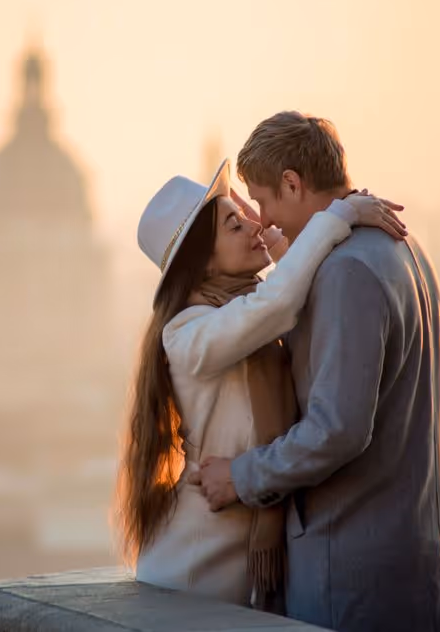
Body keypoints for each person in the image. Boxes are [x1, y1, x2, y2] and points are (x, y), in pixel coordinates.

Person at [195, 111, 440, 632]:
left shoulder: (346, 272)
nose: (263, 221)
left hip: (353, 567)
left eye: (264, 201)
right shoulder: (400, 247)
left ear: (293, 183)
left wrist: (240, 477)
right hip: (404, 553)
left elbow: (337, 429)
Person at [118, 156, 404, 607]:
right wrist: (334, 218)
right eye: (235, 226)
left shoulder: (238, 315)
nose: (254, 227)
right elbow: (277, 305)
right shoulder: (188, 334)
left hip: (244, 562)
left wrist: (286, 251)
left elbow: (281, 308)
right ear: (203, 265)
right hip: (193, 569)